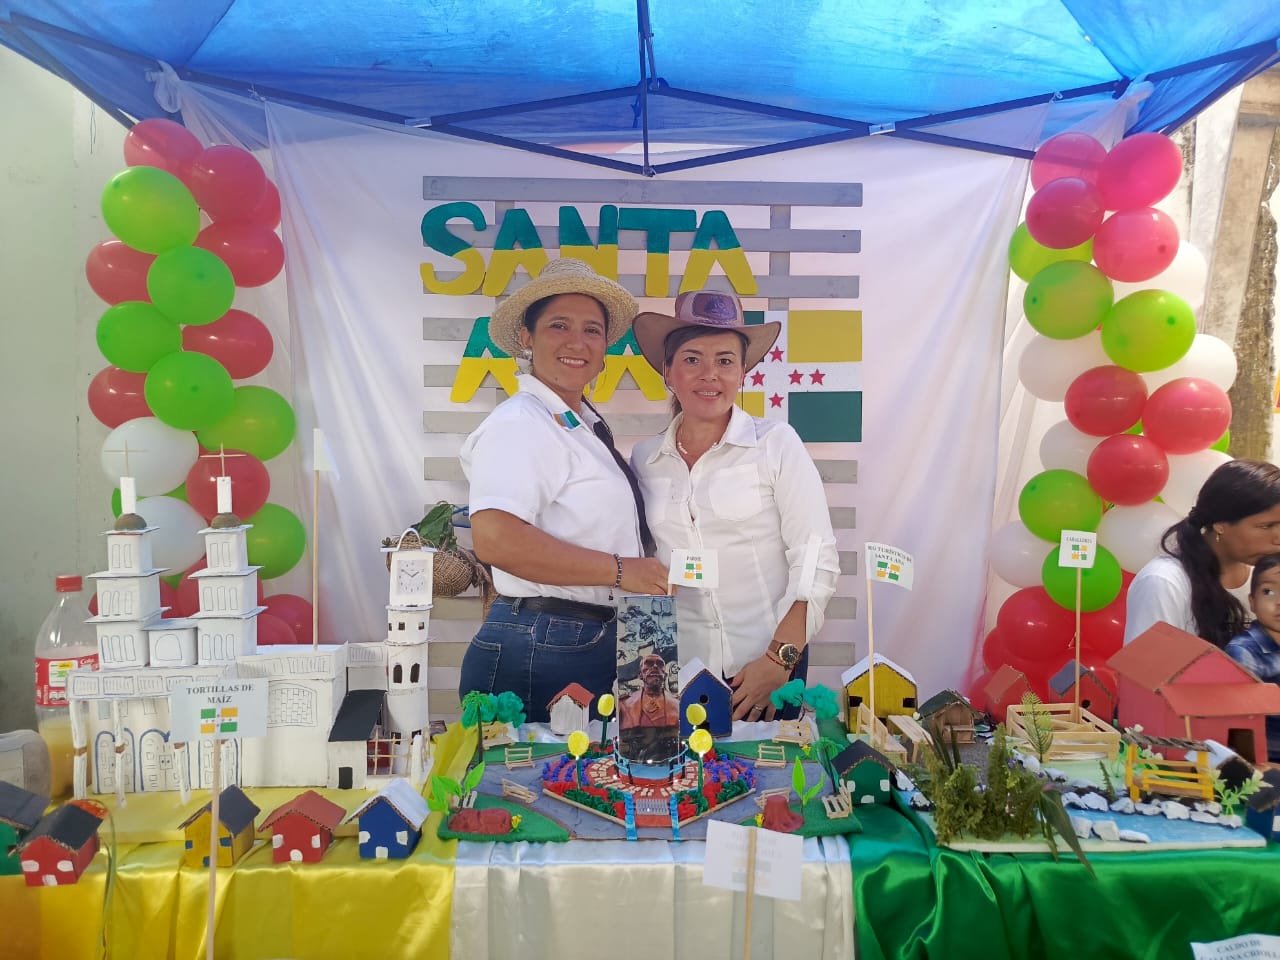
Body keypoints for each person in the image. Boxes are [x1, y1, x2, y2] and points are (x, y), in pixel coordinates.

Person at [458, 258, 669, 722]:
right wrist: (621, 571)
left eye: (592, 330)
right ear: (527, 337)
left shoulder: (576, 424)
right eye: (559, 325)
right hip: (544, 641)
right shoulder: (521, 422)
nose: (578, 342)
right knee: (534, 770)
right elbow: (495, 540)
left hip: (575, 637)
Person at [630, 290, 840, 722]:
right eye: (692, 359)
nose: (710, 374)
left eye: (725, 361)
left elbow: (815, 558)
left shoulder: (776, 444)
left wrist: (778, 661)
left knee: (770, 768)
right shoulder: (644, 459)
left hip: (764, 670)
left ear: (743, 372)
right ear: (667, 371)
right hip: (681, 674)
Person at [1124, 459, 1280, 648]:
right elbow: (1146, 664)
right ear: (1220, 524)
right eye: (1266, 526)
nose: (1277, 538)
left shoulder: (1268, 578)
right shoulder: (1164, 582)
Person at [1225, 553, 1280, 762]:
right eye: (1269, 592)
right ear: (1253, 601)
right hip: (1267, 757)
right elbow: (1240, 720)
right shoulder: (1244, 651)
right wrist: (1257, 765)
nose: (1279, 602)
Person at [618, 654, 681, 728]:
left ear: (665, 675)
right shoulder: (624, 705)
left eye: (660, 664)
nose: (655, 666)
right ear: (640, 675)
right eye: (649, 663)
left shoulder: (678, 704)